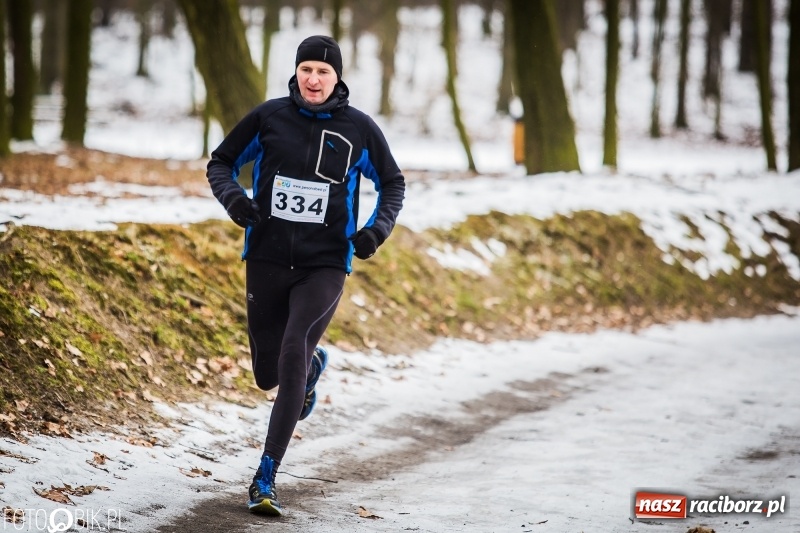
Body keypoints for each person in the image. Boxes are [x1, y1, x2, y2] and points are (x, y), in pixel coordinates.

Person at [206, 35, 405, 515]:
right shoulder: (269, 117)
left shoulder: (359, 128)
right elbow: (221, 162)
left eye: (324, 72)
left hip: (325, 263)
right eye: (307, 69)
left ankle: (265, 476)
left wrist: (374, 231)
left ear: (338, 78)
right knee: (265, 374)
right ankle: (314, 369)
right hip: (267, 257)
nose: (313, 79)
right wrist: (236, 201)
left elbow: (392, 183)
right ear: (296, 73)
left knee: (294, 348)